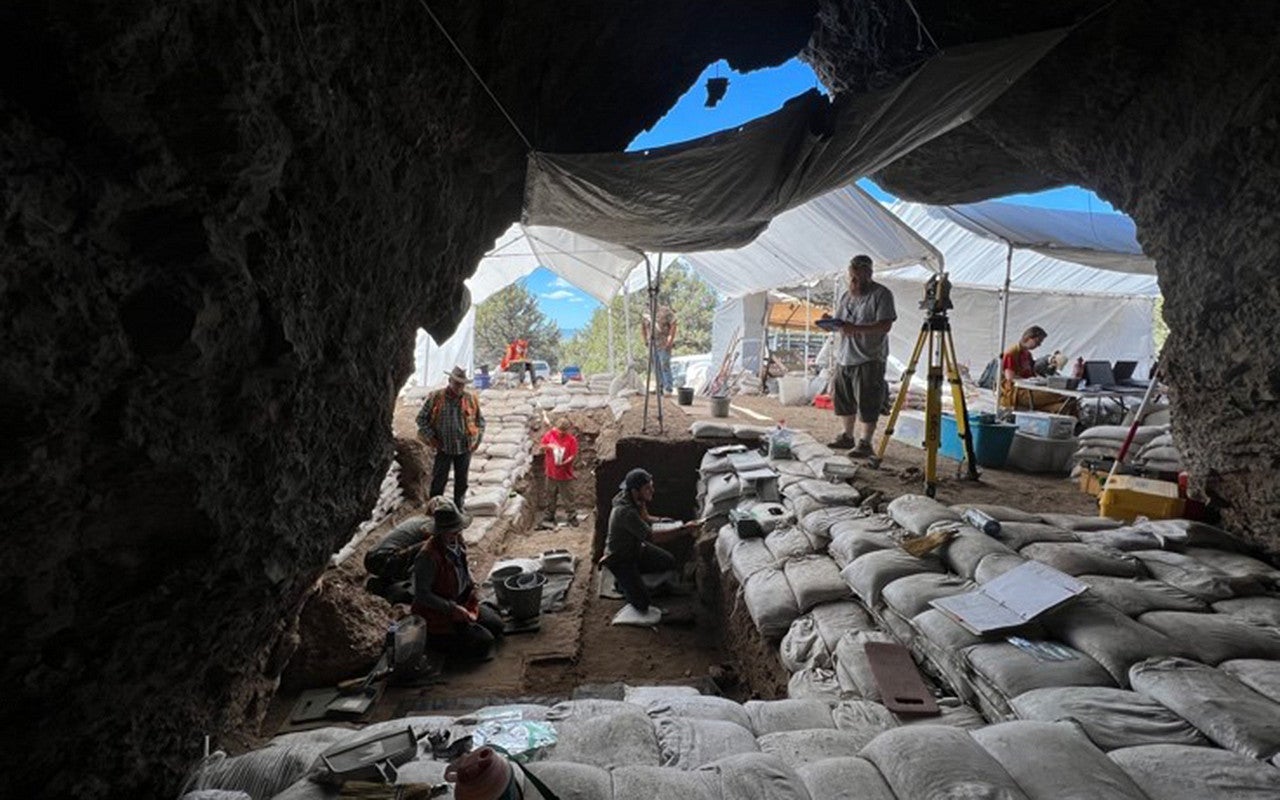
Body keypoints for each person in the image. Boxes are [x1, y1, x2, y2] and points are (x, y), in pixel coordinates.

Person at [410, 500, 504, 659]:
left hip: (461, 601)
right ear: (440, 532)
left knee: (497, 626)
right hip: (439, 612)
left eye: (458, 529)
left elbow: (463, 567)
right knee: (483, 643)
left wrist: (472, 583)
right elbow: (422, 594)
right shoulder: (427, 557)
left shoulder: (457, 541)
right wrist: (451, 608)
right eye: (453, 530)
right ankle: (434, 641)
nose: (458, 532)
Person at [603, 468, 697, 624]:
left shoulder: (635, 499)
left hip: (636, 549)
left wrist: (661, 521)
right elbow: (653, 537)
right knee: (642, 604)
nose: (652, 490)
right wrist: (684, 530)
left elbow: (645, 517)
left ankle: (631, 580)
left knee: (668, 561)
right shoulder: (625, 512)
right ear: (635, 490)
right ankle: (622, 583)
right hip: (621, 558)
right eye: (648, 488)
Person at [828, 254, 896, 457]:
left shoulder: (881, 294)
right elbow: (841, 322)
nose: (854, 282)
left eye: (858, 278)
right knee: (844, 398)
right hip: (845, 356)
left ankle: (865, 442)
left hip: (869, 357)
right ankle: (847, 436)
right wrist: (830, 324)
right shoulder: (846, 296)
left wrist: (855, 328)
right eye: (852, 277)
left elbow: (885, 325)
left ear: (869, 274)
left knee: (868, 400)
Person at [417, 366, 485, 512]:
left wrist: (477, 440)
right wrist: (431, 437)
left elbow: (480, 421)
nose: (459, 387)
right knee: (439, 480)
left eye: (462, 384)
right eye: (456, 383)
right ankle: (434, 508)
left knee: (462, 481)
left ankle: (458, 507)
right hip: (443, 447)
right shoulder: (436, 397)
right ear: (449, 381)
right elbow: (421, 419)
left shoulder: (470, 399)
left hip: (464, 447)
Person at [1000, 326, 1075, 414]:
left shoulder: (1027, 354)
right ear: (1028, 338)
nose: (1039, 345)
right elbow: (1010, 378)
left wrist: (1049, 368)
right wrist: (1030, 381)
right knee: (1065, 396)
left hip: (1029, 390)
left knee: (1066, 406)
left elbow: (1034, 372)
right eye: (1037, 341)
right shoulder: (1012, 353)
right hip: (1017, 392)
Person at [363, 513, 433, 604]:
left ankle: (380, 585)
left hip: (373, 558)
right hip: (384, 560)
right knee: (430, 547)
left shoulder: (417, 518)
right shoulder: (431, 524)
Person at [539, 417, 579, 527]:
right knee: (550, 495)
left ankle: (572, 516)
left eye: (564, 431)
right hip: (551, 472)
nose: (561, 433)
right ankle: (549, 515)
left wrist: (565, 462)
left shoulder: (571, 440)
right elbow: (541, 447)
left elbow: (573, 455)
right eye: (559, 430)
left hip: (565, 473)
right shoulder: (550, 435)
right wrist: (549, 446)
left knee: (568, 497)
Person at [641, 301, 678, 394]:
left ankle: (668, 388)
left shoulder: (665, 311)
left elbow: (673, 323)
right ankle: (659, 387)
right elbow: (643, 327)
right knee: (655, 366)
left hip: (663, 343)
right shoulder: (646, 314)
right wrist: (645, 339)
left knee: (664, 364)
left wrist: (670, 339)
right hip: (652, 344)